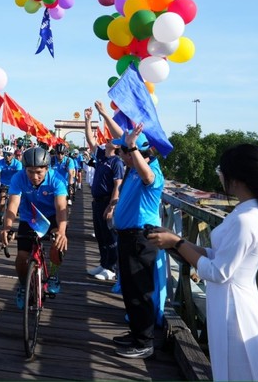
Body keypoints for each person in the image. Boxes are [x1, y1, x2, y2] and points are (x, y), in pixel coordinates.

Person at [147, 144, 258, 381]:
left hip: (236, 312)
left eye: (221, 170)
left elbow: (217, 272)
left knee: (237, 371)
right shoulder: (246, 212)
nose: (220, 176)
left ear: (236, 178)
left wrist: (177, 243)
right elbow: (216, 253)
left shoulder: (247, 220)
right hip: (227, 302)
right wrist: (178, 240)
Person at [104, 118, 163, 360]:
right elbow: (123, 136)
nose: (121, 155)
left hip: (140, 238)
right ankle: (136, 333)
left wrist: (134, 148)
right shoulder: (132, 169)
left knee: (140, 291)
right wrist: (106, 115)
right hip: (128, 237)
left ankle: (144, 342)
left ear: (138, 152)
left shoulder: (151, 173)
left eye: (124, 152)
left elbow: (148, 175)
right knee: (130, 290)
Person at [0, 147, 68, 307]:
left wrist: (62, 231)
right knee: (22, 257)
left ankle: (53, 274)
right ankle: (23, 286)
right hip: (30, 217)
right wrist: (7, 227)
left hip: (51, 217)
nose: (34, 177)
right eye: (30, 172)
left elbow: (60, 208)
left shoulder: (57, 179)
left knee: (58, 243)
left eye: (39, 172)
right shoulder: (18, 178)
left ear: (47, 168)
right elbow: (13, 205)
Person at [84, 106, 125, 282]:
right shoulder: (101, 155)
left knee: (110, 236)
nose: (108, 139)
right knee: (100, 234)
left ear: (117, 145)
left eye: (112, 139)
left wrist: (112, 205)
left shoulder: (116, 162)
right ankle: (103, 263)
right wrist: (87, 120)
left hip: (108, 201)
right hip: (96, 201)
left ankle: (112, 268)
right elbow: (90, 140)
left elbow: (117, 185)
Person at [0, 144, 23, 225]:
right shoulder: (0, 162)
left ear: (13, 155)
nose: (7, 156)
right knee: (2, 200)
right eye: (5, 154)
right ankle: (1, 215)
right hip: (4, 183)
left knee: (13, 202)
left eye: (9, 154)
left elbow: (18, 176)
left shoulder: (18, 164)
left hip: (14, 184)